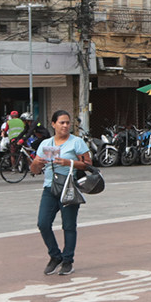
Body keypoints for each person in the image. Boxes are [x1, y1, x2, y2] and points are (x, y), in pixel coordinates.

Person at [29, 110, 92, 277]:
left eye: (67, 123)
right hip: (50, 188)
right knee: (43, 223)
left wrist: (68, 162)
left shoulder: (76, 142)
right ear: (53, 124)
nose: (65, 126)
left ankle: (67, 261)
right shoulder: (46, 144)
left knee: (69, 226)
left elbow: (88, 164)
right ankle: (55, 256)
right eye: (62, 123)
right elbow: (34, 170)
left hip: (69, 187)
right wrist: (36, 162)